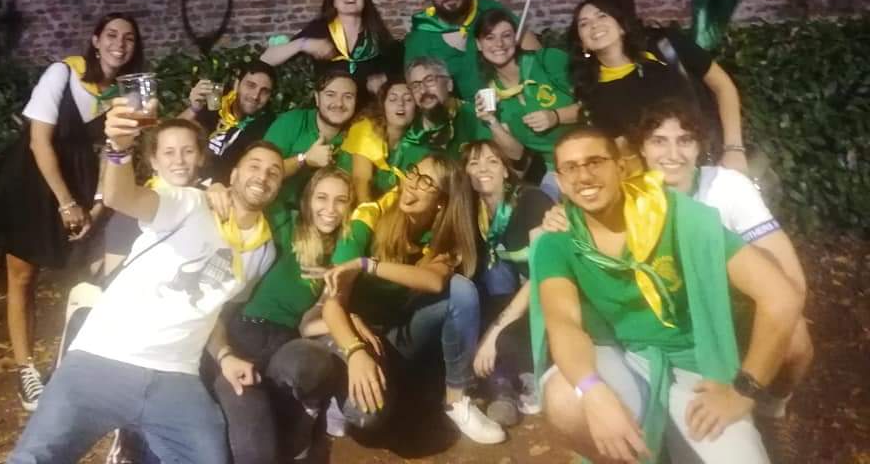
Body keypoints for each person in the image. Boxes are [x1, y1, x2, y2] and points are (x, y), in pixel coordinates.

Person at [8, 109, 282, 463]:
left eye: (274, 172)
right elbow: (121, 196)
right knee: (34, 457)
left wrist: (226, 356)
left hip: (176, 380)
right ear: (234, 173)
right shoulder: (189, 201)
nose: (263, 176)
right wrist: (119, 149)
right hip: (103, 358)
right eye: (254, 166)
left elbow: (211, 312)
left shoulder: (264, 251)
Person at [531, 127, 803, 464]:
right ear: (559, 182)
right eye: (570, 168)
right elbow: (563, 323)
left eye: (595, 162)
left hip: (696, 367)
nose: (584, 176)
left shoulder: (674, 216)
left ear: (620, 167)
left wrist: (744, 391)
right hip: (620, 356)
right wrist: (593, 392)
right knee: (565, 398)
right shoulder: (558, 242)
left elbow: (781, 297)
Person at [0, 12, 143, 411]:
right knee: (23, 277)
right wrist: (67, 203)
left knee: (89, 276)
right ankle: (26, 370)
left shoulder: (125, 94)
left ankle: (77, 363)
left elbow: (114, 153)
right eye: (111, 35)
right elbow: (38, 141)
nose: (119, 44)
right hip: (34, 182)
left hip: (81, 186)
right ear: (95, 40)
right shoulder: (63, 73)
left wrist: (96, 206)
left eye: (128, 38)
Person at [633, 98, 812, 417]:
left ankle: (771, 403)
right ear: (642, 149)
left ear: (699, 146)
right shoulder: (629, 193)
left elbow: (791, 277)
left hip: (733, 302)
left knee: (797, 343)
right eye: (659, 141)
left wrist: (780, 315)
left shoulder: (728, 186)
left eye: (684, 140)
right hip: (668, 314)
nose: (673, 154)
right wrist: (557, 218)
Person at [316, 154, 507, 444]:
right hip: (351, 332)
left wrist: (368, 265)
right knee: (367, 416)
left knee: (461, 290)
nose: (412, 184)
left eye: (426, 182)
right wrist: (355, 351)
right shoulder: (370, 216)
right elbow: (332, 303)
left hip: (397, 335)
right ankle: (338, 390)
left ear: (442, 200)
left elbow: (434, 280)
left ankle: (456, 401)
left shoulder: (446, 236)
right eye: (413, 173)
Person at [209, 167, 374, 464]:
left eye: (340, 200)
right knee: (254, 451)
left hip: (285, 343)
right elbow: (255, 192)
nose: (330, 209)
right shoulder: (287, 223)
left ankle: (301, 421)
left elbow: (308, 324)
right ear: (308, 199)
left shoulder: (339, 254)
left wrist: (348, 323)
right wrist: (218, 189)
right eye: (322, 197)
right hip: (240, 334)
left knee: (310, 362)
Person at [567, 0, 749, 172]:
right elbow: (621, 150)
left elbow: (723, 86)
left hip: (714, 159)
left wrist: (734, 149)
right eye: (584, 24)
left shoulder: (665, 45)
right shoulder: (594, 93)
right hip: (661, 180)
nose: (594, 25)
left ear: (621, 26)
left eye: (602, 16)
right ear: (583, 44)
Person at [464, 140, 553, 428]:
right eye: (474, 163)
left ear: (505, 170)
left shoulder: (531, 201)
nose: (483, 169)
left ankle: (528, 373)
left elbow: (543, 274)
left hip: (553, 290)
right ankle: (501, 381)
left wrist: (494, 333)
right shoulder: (473, 212)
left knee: (503, 333)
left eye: (492, 161)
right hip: (515, 292)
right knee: (488, 275)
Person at [403, 0, 542, 100]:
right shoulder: (421, 35)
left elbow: (536, 55)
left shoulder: (490, 10)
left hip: (512, 101)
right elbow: (416, 92)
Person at [475, 8, 580, 189]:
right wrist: (491, 121)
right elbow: (517, 155)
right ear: (479, 44)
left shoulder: (548, 60)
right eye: (490, 38)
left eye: (506, 36)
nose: (499, 44)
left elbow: (594, 105)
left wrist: (556, 116)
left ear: (516, 39)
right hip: (554, 173)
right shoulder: (491, 95)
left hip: (588, 154)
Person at [261, 0, 398, 97]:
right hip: (327, 110)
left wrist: (386, 78)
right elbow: (266, 59)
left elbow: (399, 71)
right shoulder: (319, 29)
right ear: (334, 1)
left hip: (368, 111)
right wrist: (304, 44)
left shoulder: (377, 34)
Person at [263, 69, 357, 218]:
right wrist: (304, 159)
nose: (339, 103)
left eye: (348, 97)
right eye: (330, 95)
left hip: (327, 221)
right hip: (275, 217)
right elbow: (259, 173)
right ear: (317, 98)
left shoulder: (358, 135)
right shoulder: (291, 122)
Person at [406, 55, 524, 163]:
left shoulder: (475, 115)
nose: (423, 90)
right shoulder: (411, 134)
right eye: (415, 86)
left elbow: (517, 156)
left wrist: (492, 122)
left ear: (449, 85)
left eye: (429, 81)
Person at [180, 60, 277, 183]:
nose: (255, 96)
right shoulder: (216, 99)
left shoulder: (266, 124)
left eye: (264, 91)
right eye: (250, 85)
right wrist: (194, 109)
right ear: (237, 84)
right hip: (183, 174)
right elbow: (168, 134)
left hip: (217, 186)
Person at [342, 76, 432, 203]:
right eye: (393, 99)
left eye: (408, 99)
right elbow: (361, 182)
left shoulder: (417, 141)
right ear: (383, 105)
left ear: (417, 107)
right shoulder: (365, 129)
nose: (400, 104)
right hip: (349, 200)